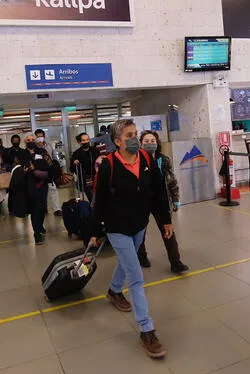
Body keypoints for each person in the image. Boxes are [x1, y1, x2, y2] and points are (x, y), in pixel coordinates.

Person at [89, 119, 172, 359]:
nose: (134, 139)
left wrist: (165, 219)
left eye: (135, 134)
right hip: (117, 227)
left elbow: (157, 193)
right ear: (117, 141)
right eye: (128, 135)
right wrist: (95, 231)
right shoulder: (108, 166)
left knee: (128, 263)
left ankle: (114, 291)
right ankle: (147, 329)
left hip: (139, 224)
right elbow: (99, 200)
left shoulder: (146, 160)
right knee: (135, 277)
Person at [137, 130, 189, 273]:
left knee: (168, 230)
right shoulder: (136, 160)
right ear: (140, 144)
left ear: (157, 143)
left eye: (152, 141)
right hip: (143, 201)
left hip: (161, 200)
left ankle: (175, 262)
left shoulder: (163, 160)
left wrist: (176, 199)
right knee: (140, 231)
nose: (150, 144)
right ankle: (141, 256)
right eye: (146, 141)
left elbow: (172, 180)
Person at [23, 134, 53, 244]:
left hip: (42, 183)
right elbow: (16, 168)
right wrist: (25, 170)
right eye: (28, 140)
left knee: (42, 207)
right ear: (25, 142)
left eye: (32, 139)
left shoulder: (42, 151)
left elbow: (49, 164)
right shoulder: (21, 154)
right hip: (29, 184)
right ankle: (37, 233)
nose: (30, 141)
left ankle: (40, 225)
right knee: (34, 208)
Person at [34, 129, 62, 216]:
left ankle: (57, 209)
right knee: (41, 191)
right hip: (39, 172)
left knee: (53, 189)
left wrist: (57, 165)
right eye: (38, 137)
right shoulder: (34, 148)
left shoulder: (49, 145)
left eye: (41, 136)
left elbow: (54, 155)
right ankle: (43, 208)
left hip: (49, 171)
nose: (40, 138)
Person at [69, 132, 100, 202]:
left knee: (99, 197)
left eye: (87, 139)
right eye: (83, 140)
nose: (86, 142)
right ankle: (94, 210)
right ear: (79, 142)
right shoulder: (76, 153)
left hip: (96, 177)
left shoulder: (94, 150)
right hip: (86, 179)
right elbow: (71, 169)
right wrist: (74, 163)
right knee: (92, 198)